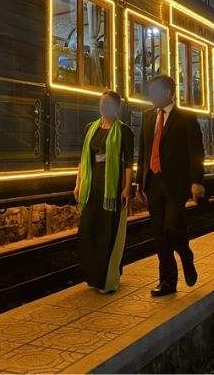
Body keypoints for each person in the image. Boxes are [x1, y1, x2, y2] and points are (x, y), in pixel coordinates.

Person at [136, 75, 205, 297]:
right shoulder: (147, 117)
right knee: (158, 233)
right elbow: (144, 152)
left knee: (172, 227)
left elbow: (195, 153)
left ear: (167, 93)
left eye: (154, 91)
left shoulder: (185, 118)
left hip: (176, 184)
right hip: (153, 183)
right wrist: (140, 181)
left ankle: (186, 256)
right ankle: (167, 281)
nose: (150, 96)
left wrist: (196, 181)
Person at [73, 91, 134, 293]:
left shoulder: (124, 131)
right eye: (102, 103)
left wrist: (126, 188)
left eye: (108, 103)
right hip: (92, 189)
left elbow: (127, 163)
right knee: (88, 232)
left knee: (108, 234)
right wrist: (78, 183)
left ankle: (108, 280)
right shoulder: (90, 128)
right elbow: (84, 160)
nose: (103, 106)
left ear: (116, 108)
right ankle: (93, 276)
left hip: (112, 190)